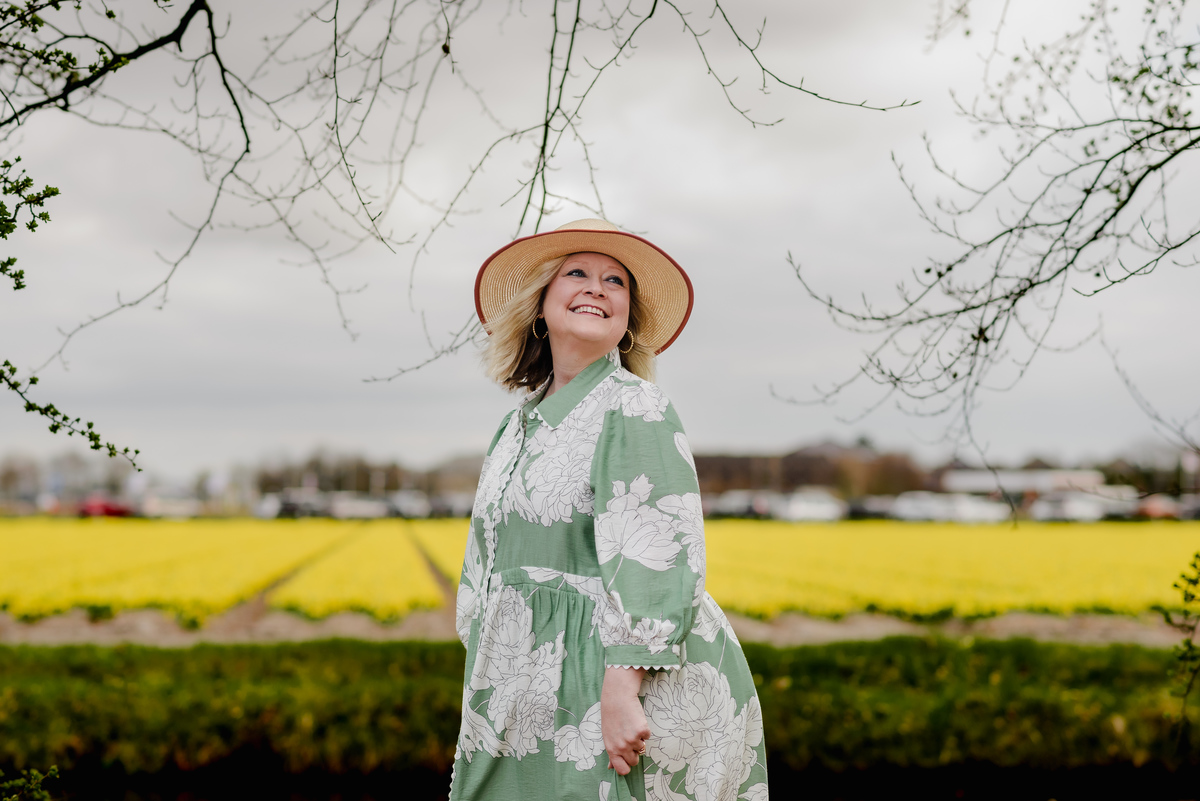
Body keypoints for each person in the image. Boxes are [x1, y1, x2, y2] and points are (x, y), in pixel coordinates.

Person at [452, 219, 767, 801]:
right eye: (577, 274)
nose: (597, 288)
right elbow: (488, 558)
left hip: (619, 680)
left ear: (628, 321)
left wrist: (622, 691)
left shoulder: (635, 406)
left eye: (615, 281)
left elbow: (662, 548)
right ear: (540, 307)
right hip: (528, 683)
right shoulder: (516, 424)